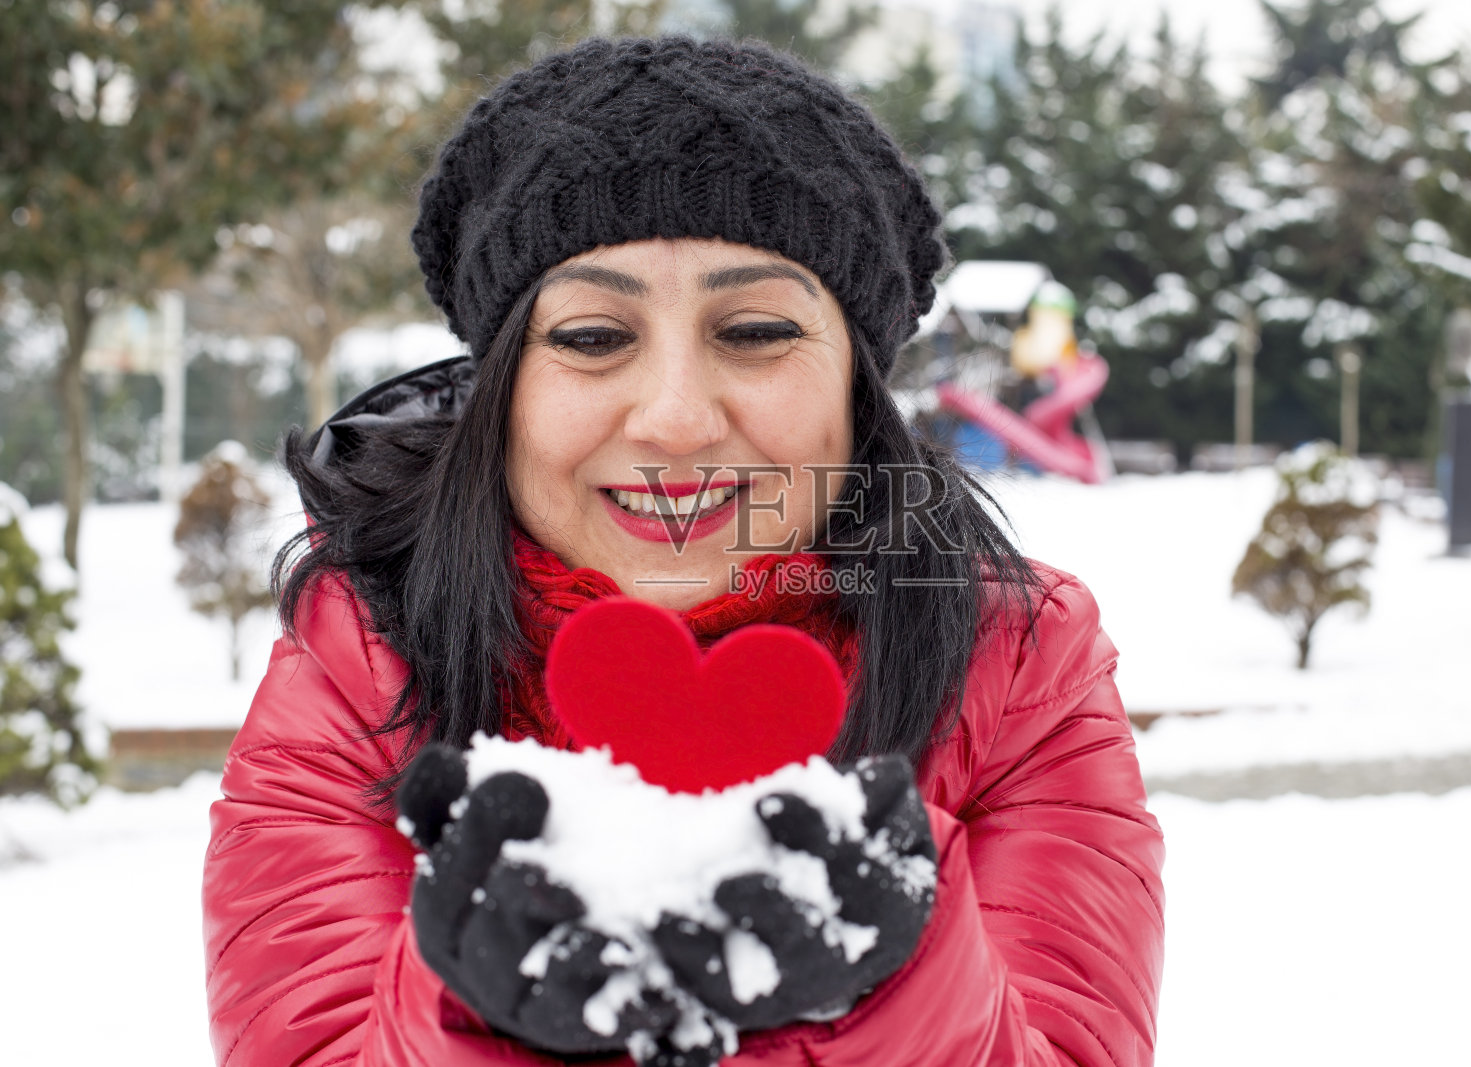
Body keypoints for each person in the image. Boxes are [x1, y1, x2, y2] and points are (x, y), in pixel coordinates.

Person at [202, 35, 1164, 1067]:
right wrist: (472, 1018)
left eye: (753, 330)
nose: (673, 419)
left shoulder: (1018, 665)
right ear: (502, 392)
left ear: (858, 390)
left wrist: (892, 1000)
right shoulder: (361, 662)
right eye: (589, 336)